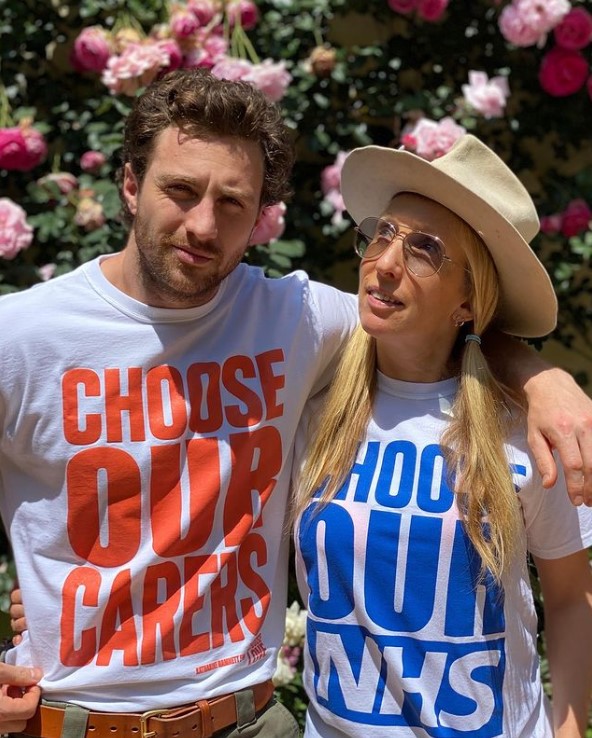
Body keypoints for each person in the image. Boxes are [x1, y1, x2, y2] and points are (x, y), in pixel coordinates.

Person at [0, 68, 591, 737]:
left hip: (248, 719)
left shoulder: (297, 320)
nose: (202, 224)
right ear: (132, 186)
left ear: (258, 219)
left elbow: (449, 331)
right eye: (181, 190)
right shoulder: (22, 335)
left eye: (232, 202)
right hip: (75, 721)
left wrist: (545, 380)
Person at [292, 135, 592, 738]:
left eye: (425, 248)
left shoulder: (522, 432)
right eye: (383, 233)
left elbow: (570, 597)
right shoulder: (311, 400)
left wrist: (568, 733)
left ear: (468, 302)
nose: (385, 262)